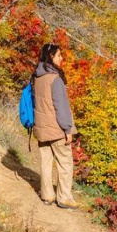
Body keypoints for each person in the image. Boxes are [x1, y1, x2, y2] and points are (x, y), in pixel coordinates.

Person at [31, 43, 78, 209]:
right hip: (57, 129)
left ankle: (47, 195)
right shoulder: (55, 79)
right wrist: (68, 129)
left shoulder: (37, 77)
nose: (62, 58)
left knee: (45, 162)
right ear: (51, 56)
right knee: (65, 162)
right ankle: (64, 197)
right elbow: (61, 106)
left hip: (41, 128)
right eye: (59, 55)